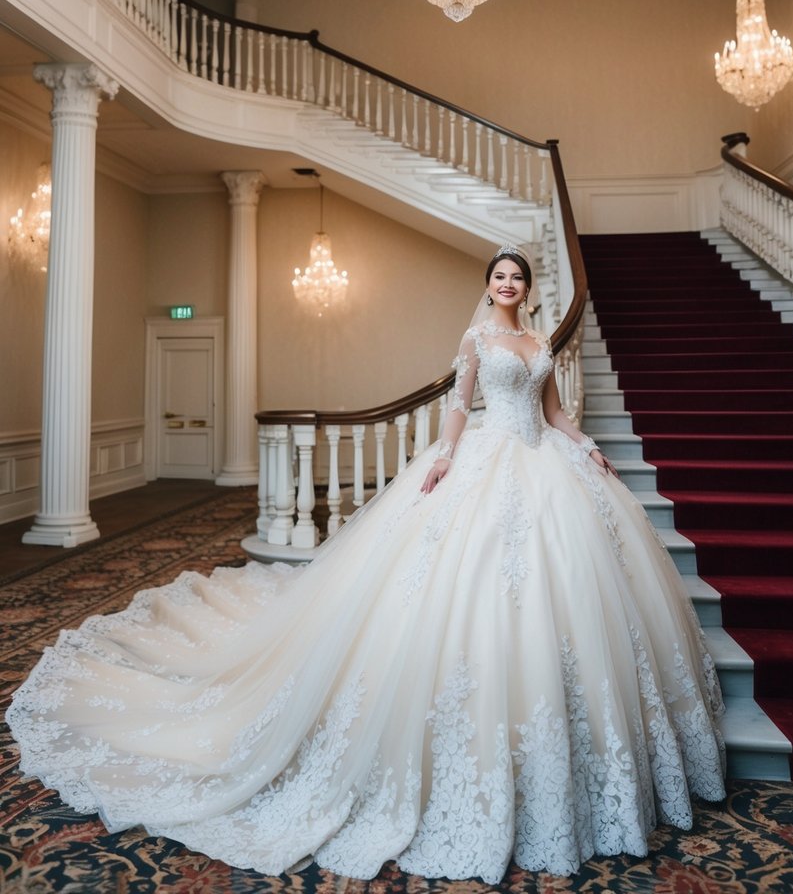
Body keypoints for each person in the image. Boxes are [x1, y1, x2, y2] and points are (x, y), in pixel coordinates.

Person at [7, 244, 726, 883]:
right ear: (489, 285)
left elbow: (553, 412)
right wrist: (444, 456)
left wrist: (585, 448)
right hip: (484, 460)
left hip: (545, 468)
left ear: (528, 288)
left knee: (557, 595)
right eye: (497, 276)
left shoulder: (540, 339)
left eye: (515, 277)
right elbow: (458, 403)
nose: (506, 284)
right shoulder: (476, 335)